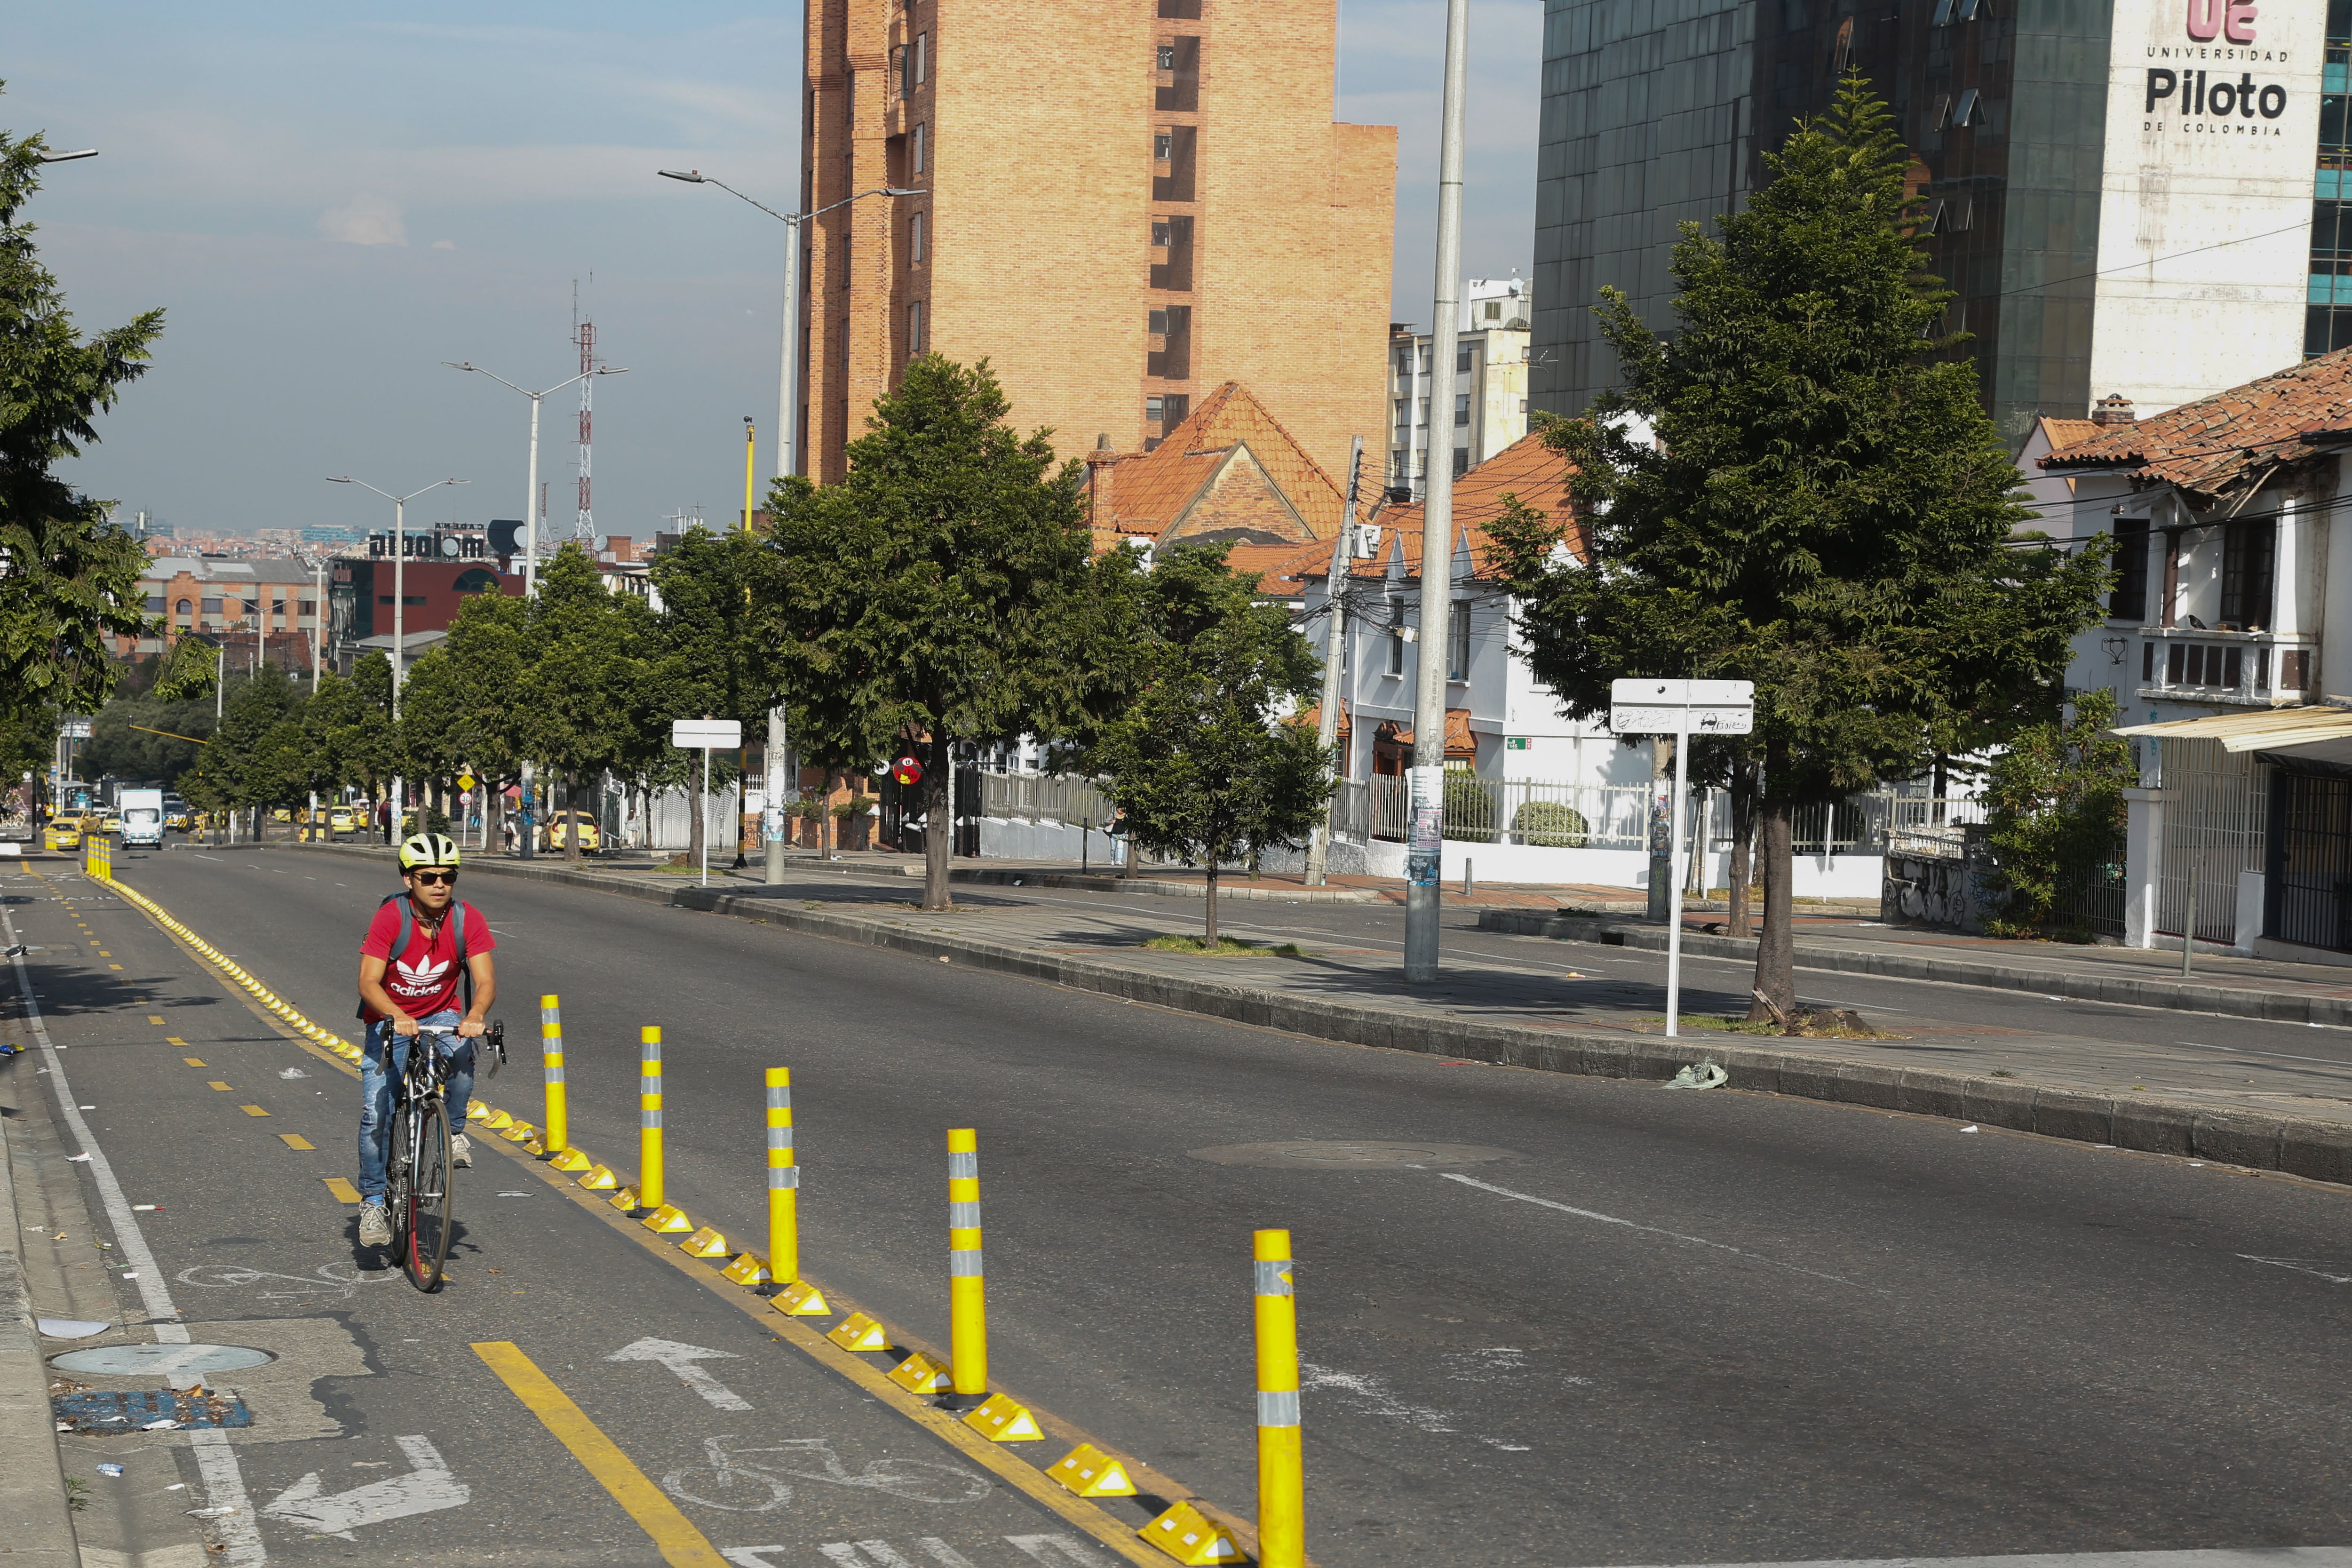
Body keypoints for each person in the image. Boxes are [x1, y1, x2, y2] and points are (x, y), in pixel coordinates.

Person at [354, 832, 496, 1250]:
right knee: (376, 1112)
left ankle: (452, 1131)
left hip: (442, 1014)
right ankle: (374, 1201)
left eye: (448, 877)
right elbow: (367, 981)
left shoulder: (466, 918)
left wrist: (474, 1015)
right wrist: (395, 1015)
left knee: (464, 1055)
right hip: (390, 1015)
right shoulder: (391, 918)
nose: (439, 884)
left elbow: (485, 980)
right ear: (407, 878)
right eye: (428, 876)